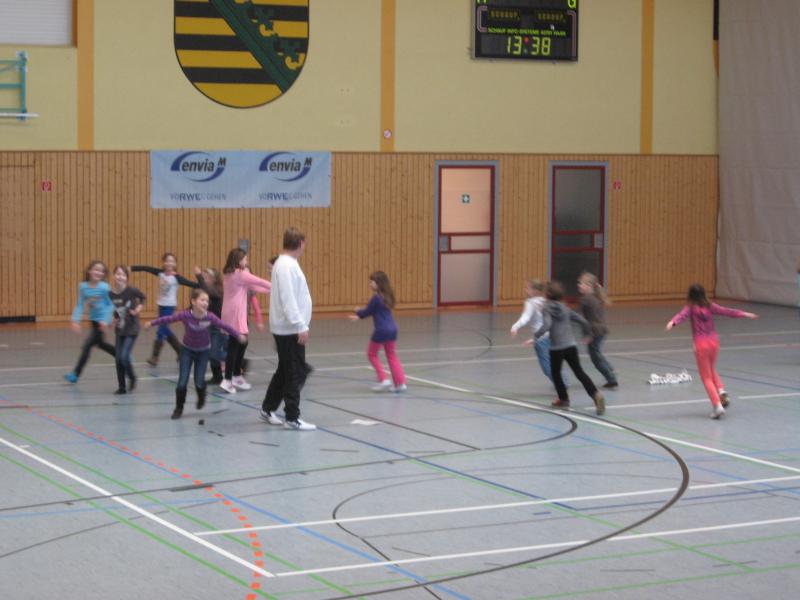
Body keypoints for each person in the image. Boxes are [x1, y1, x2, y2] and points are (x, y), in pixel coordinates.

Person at [146, 288, 244, 419]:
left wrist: (238, 335)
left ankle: (201, 395)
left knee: (199, 381)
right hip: (187, 351)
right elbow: (168, 319)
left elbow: (224, 326)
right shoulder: (185, 315)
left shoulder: (210, 317)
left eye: (207, 301)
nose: (205, 303)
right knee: (182, 381)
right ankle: (179, 408)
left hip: (203, 352)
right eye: (202, 300)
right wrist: (151, 323)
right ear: (193, 301)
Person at [666, 283, 758, 419]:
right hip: (714, 342)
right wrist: (744, 313)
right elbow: (727, 311)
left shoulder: (690, 307)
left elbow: (681, 316)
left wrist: (672, 322)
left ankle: (717, 406)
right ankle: (721, 390)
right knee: (711, 368)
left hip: (701, 344)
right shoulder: (710, 305)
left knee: (706, 377)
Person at [260, 227, 316, 430]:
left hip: (288, 327)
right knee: (295, 372)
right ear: (300, 243)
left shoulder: (286, 263)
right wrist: (300, 325)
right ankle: (292, 417)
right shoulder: (285, 265)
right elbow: (288, 298)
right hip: (289, 329)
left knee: (285, 370)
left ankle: (268, 408)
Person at [533, 281, 605, 415]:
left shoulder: (546, 308)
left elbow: (547, 325)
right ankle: (595, 394)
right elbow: (582, 321)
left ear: (547, 295)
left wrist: (536, 336)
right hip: (571, 345)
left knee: (556, 373)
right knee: (579, 372)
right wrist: (589, 333)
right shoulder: (565, 308)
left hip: (556, 348)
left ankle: (563, 399)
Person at [219, 248, 271, 393]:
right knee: (234, 347)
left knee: (242, 343)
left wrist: (271, 290)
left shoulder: (230, 274)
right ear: (239, 260)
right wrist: (277, 286)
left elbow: (254, 286)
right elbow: (259, 281)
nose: (247, 261)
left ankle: (236, 376)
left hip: (230, 312)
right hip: (235, 313)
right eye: (245, 259)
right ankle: (227, 380)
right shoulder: (240, 274)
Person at [132, 253, 197, 365]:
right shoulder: (161, 273)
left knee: (161, 330)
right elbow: (146, 268)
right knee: (165, 329)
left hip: (169, 306)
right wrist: (132, 268)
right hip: (161, 305)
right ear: (164, 263)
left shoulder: (177, 278)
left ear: (175, 264)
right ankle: (180, 351)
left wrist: (204, 284)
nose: (169, 263)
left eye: (172, 261)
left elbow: (191, 284)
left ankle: (155, 357)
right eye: (167, 261)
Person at [349, 271, 407, 392]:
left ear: (379, 283)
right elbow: (373, 311)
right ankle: (400, 383)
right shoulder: (388, 296)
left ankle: (383, 379)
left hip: (381, 330)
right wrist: (359, 316)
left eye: (372, 282)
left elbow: (368, 311)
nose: (370, 284)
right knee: (392, 355)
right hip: (392, 329)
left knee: (372, 354)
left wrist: (358, 311)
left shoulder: (376, 297)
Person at [64, 260, 116, 383]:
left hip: (102, 322)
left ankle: (75, 374)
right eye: (96, 269)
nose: (98, 272)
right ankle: (121, 355)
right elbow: (80, 305)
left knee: (87, 346)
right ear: (89, 271)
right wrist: (75, 320)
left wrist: (106, 320)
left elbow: (110, 305)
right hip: (93, 320)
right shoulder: (83, 287)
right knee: (101, 344)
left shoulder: (104, 287)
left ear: (103, 274)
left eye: (101, 271)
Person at [510, 278, 566, 386]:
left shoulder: (530, 303)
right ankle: (564, 380)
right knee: (554, 361)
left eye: (527, 288)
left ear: (535, 291)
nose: (525, 290)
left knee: (546, 365)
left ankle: (561, 384)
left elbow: (525, 317)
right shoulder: (546, 300)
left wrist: (515, 326)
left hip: (541, 338)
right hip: (553, 335)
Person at [577, 272, 618, 390]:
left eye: (581, 283)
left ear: (589, 286)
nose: (578, 285)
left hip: (595, 332)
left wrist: (588, 335)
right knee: (597, 353)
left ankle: (611, 379)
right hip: (601, 330)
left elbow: (582, 319)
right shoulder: (596, 297)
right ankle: (610, 370)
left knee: (595, 358)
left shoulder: (585, 299)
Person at [109, 265, 146, 394]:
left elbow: (143, 297)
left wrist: (138, 309)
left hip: (132, 329)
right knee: (118, 358)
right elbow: (115, 310)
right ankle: (122, 387)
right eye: (118, 274)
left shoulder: (131, 290)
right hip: (120, 330)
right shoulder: (111, 294)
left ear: (126, 278)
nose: (120, 277)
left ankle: (132, 377)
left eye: (123, 275)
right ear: (113, 276)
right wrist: (113, 319)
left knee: (124, 356)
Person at [194, 266, 225, 384]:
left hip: (217, 326)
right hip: (207, 325)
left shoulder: (217, 290)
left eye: (206, 277)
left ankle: (239, 361)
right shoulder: (205, 291)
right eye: (204, 277)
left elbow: (208, 291)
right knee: (208, 352)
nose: (204, 280)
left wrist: (198, 276)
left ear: (213, 279)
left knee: (214, 353)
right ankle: (217, 376)